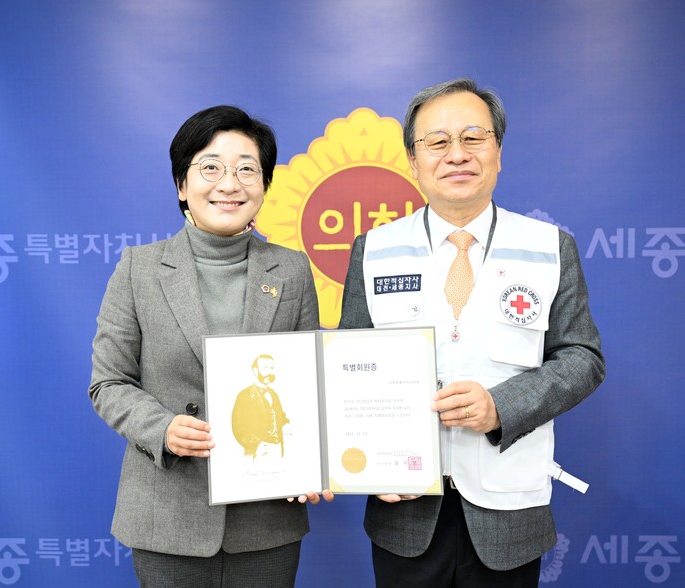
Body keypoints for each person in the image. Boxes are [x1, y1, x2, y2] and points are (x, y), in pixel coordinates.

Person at [339, 78, 606, 587]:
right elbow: (348, 366)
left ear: (498, 152)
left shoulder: (548, 247)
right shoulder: (373, 250)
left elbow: (582, 357)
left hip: (509, 510)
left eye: (473, 138)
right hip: (406, 512)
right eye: (437, 142)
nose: (456, 154)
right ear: (413, 161)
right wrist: (372, 465)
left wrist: (502, 406)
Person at [89, 105, 331, 588]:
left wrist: (312, 459)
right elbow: (109, 383)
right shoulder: (138, 269)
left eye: (247, 169)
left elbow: (309, 382)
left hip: (266, 519)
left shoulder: (292, 269)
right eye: (211, 167)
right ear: (183, 184)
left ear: (264, 185)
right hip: (167, 515)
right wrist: (163, 429)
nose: (230, 184)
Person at [232, 354, 289, 458]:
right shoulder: (244, 395)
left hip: (278, 450)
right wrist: (257, 444)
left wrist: (287, 425)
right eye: (265, 368)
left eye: (271, 368)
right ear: (255, 370)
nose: (270, 372)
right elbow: (239, 428)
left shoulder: (274, 394)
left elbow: (280, 417)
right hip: (257, 452)